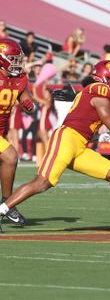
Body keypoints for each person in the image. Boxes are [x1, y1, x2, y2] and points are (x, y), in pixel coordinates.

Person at [0, 60, 110, 232]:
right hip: (66, 140)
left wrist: (99, 136)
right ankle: (3, 209)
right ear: (109, 77)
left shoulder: (95, 92)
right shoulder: (101, 90)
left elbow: (84, 127)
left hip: (78, 144)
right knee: (43, 182)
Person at [0, 38, 36, 226]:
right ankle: (7, 203)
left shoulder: (19, 77)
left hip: (1, 131)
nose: (17, 63)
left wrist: (29, 104)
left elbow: (25, 97)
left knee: (7, 161)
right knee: (11, 156)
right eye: (13, 59)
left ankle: (7, 203)